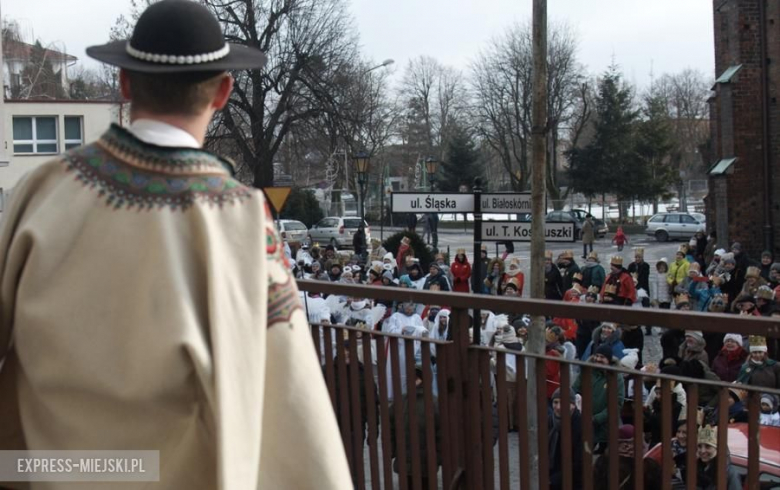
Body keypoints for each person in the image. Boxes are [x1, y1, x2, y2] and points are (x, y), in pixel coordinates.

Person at [0, 2, 351, 488]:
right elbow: (292, 397)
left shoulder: (41, 191)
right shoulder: (237, 219)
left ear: (124, 82)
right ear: (224, 92)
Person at [389, 366, 441, 490]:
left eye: (417, 378)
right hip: (410, 462)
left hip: (424, 463)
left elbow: (440, 434)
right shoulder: (402, 401)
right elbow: (390, 427)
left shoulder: (434, 403)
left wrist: (438, 457)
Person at [573, 344, 624, 453]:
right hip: (585, 420)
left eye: (602, 357)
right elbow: (575, 389)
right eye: (597, 356)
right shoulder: (587, 371)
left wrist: (597, 418)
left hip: (606, 424)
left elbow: (617, 403)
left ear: (608, 360)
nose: (598, 359)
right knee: (583, 452)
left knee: (606, 455)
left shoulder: (616, 377)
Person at [548, 388, 583, 490]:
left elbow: (579, 462)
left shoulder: (581, 425)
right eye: (555, 402)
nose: (558, 407)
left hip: (573, 482)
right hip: (550, 478)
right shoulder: (549, 421)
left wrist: (554, 479)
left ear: (573, 405)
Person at [695, 425, 742, 490]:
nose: (702, 451)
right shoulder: (695, 469)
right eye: (700, 446)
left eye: (708, 446)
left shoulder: (730, 473)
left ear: (718, 449)